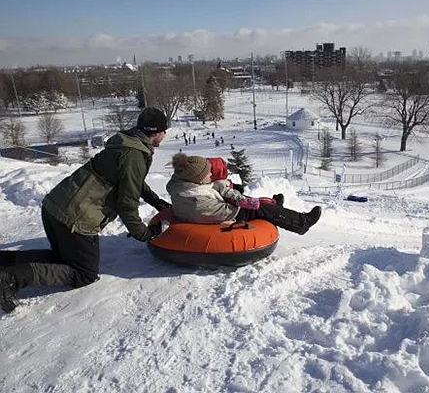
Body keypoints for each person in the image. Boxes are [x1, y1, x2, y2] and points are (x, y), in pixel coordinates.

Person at [0, 107, 172, 313]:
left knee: (62, 259)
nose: (165, 134)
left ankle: (5, 261)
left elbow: (133, 182)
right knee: (83, 274)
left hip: (55, 206)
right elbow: (127, 204)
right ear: (155, 132)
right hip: (75, 218)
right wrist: (146, 234)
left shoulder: (127, 143)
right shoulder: (134, 155)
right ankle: (11, 278)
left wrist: (156, 201)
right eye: (164, 130)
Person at [165, 153, 321, 234]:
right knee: (258, 208)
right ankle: (301, 223)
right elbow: (220, 212)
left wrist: (234, 196)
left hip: (216, 208)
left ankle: (276, 209)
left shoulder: (187, 183)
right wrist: (240, 204)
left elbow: (213, 187)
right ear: (197, 179)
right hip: (222, 216)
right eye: (207, 173)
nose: (211, 176)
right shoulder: (195, 201)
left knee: (249, 200)